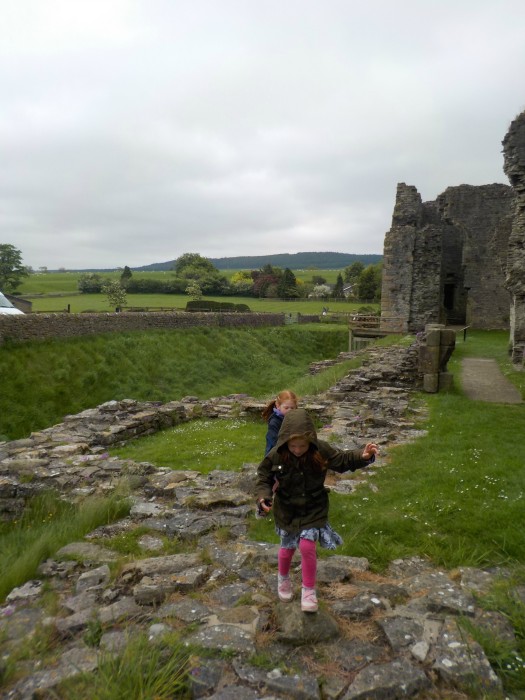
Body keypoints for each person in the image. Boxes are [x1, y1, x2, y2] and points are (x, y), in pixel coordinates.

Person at [255, 408, 379, 613]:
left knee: (307, 547)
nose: (297, 449)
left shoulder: (320, 450)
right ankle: (283, 579)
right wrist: (263, 497)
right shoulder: (276, 454)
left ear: (310, 441)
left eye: (302, 445)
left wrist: (363, 456)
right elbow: (263, 478)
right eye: (292, 446)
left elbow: (342, 460)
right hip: (287, 509)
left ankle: (308, 590)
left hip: (314, 507)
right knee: (286, 550)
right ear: (285, 441)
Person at [261, 389, 298, 456]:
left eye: (292, 408)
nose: (289, 411)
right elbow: (274, 442)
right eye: (286, 408)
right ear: (278, 406)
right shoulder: (274, 422)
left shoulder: (296, 418)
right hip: (275, 454)